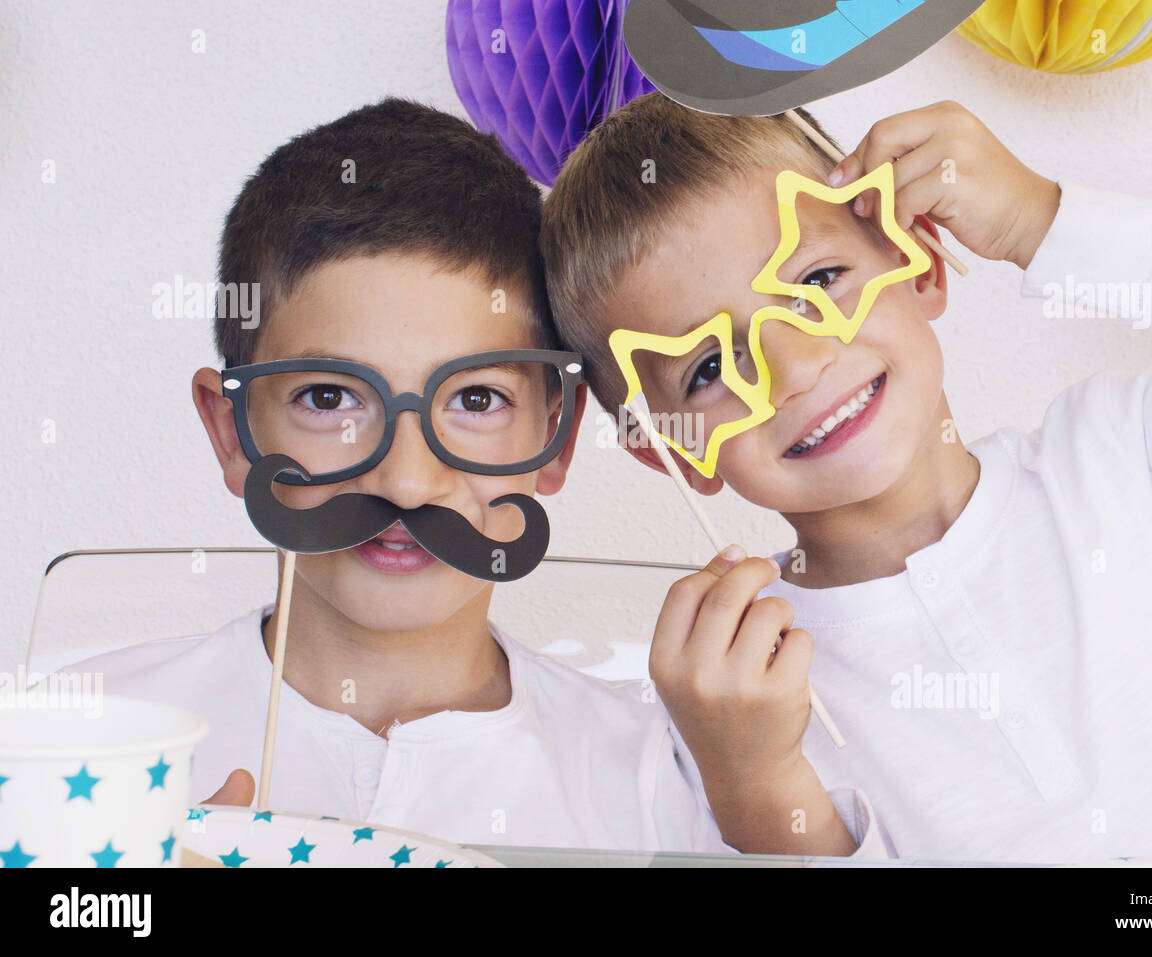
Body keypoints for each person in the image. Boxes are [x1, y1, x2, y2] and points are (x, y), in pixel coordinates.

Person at [61, 98, 865, 855]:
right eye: (329, 398)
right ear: (230, 429)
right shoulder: (73, 738)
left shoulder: (674, 776)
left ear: (556, 432)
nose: (408, 482)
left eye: (476, 399)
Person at [539, 93, 1152, 861]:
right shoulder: (735, 701)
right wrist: (756, 787)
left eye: (818, 281)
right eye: (708, 367)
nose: (795, 368)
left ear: (924, 262)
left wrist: (1044, 219)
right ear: (668, 446)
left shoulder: (1131, 455)